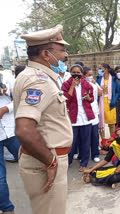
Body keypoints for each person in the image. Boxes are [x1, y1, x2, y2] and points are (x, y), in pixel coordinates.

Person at [13, 24, 73, 214]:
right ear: (46, 54)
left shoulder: (31, 75)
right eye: (62, 50)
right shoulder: (39, 81)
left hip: (42, 158)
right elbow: (24, 129)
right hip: (44, 161)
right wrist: (50, 162)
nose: (65, 55)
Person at [62, 64, 95, 171]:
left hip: (85, 117)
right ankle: (68, 161)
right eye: (74, 72)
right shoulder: (66, 84)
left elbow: (92, 99)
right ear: (71, 73)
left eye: (78, 72)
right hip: (73, 117)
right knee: (72, 141)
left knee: (86, 142)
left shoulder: (87, 84)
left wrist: (89, 98)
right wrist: (72, 86)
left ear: (82, 74)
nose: (76, 74)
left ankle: (84, 163)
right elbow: (66, 99)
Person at [0, 64, 20, 213]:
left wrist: (6, 108)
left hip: (12, 130)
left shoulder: (6, 76)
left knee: (32, 162)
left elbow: (19, 98)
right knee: (0, 176)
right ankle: (7, 208)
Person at [83, 66, 103, 163]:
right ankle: (83, 154)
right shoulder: (81, 84)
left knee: (95, 134)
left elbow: (100, 93)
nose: (91, 77)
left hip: (94, 111)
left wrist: (96, 84)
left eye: (92, 75)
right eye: (89, 75)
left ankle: (95, 154)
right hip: (84, 113)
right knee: (85, 135)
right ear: (83, 75)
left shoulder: (93, 83)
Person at [98, 63, 120, 139]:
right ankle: (103, 140)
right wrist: (100, 88)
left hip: (111, 103)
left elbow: (118, 91)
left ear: (106, 69)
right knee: (101, 123)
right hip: (101, 103)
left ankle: (112, 139)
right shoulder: (98, 79)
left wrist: (115, 99)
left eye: (101, 69)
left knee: (111, 123)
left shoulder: (114, 79)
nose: (99, 70)